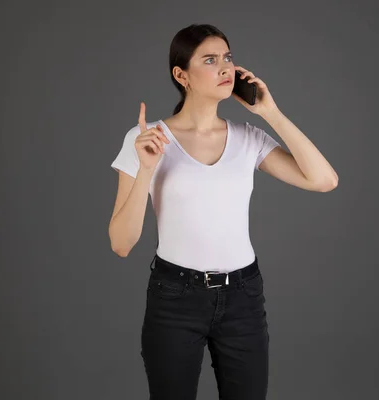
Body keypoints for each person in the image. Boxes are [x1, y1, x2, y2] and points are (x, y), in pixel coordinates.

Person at [109, 24, 338, 400]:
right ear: (181, 75)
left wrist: (271, 112)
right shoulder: (147, 138)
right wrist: (146, 167)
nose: (225, 68)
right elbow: (121, 243)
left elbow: (324, 180)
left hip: (243, 298)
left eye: (228, 58)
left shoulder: (248, 137)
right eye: (210, 60)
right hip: (175, 298)